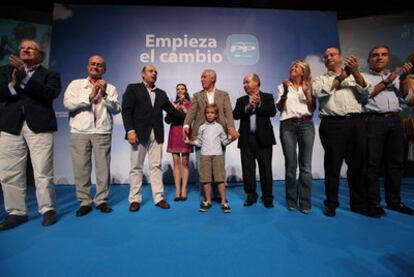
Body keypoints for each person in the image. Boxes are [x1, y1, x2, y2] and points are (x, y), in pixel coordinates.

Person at [0, 39, 61, 230]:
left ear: (40, 55)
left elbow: (49, 93)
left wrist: (24, 79)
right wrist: (14, 83)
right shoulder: (5, 71)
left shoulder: (50, 74)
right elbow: (1, 93)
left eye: (30, 48)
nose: (25, 50)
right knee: (9, 171)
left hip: (40, 125)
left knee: (43, 170)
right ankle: (16, 212)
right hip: (11, 125)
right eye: (22, 48)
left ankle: (47, 209)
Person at [313, 47, 373, 217]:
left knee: (357, 166)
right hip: (332, 124)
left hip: (356, 122)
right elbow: (319, 92)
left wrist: (355, 73)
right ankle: (331, 204)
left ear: (340, 57)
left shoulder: (355, 75)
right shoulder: (320, 79)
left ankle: (359, 203)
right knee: (333, 166)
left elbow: (366, 95)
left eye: (332, 55)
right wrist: (341, 77)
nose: (328, 58)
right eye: (325, 56)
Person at [63, 55, 121, 217]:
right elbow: (68, 104)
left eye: (100, 65)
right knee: (81, 168)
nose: (96, 67)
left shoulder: (111, 88)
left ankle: (101, 200)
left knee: (103, 168)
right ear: (88, 66)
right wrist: (89, 96)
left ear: (104, 69)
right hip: (80, 131)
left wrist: (104, 94)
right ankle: (85, 201)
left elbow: (116, 109)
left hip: (102, 131)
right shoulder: (76, 84)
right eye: (93, 64)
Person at [122, 64, 185, 212]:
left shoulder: (161, 93)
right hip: (138, 134)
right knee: (136, 167)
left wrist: (189, 117)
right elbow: (126, 111)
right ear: (142, 74)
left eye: (156, 72)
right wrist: (130, 130)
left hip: (156, 134)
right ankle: (135, 199)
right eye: (151, 71)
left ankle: (159, 198)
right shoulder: (133, 88)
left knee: (156, 166)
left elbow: (172, 112)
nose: (154, 74)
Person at [362, 45, 414, 216]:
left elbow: (406, 98)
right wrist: (390, 79)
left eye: (383, 55)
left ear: (388, 58)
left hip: (395, 120)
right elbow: (366, 95)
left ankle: (395, 201)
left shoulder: (398, 77)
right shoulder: (363, 77)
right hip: (374, 120)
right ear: (370, 59)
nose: (380, 57)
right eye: (375, 55)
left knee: (396, 163)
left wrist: (404, 77)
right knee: (372, 164)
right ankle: (373, 203)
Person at [182, 69, 239, 202]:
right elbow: (191, 113)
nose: (202, 79)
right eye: (201, 77)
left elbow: (228, 112)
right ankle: (206, 196)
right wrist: (186, 126)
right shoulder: (197, 96)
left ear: (212, 79)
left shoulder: (224, 95)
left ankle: (218, 195)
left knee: (218, 166)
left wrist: (231, 128)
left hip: (219, 135)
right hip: (200, 135)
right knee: (203, 167)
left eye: (204, 77)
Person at [276, 61, 315, 214]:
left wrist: (306, 93)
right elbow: (279, 108)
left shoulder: (309, 86)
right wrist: (285, 91)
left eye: (296, 67)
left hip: (306, 125)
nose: (293, 68)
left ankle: (305, 202)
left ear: (303, 71)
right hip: (287, 126)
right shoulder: (282, 86)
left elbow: (312, 109)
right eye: (291, 67)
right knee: (291, 166)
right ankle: (291, 200)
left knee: (305, 166)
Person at [233, 73, 276, 208]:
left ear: (256, 82)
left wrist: (259, 104)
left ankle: (267, 197)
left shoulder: (267, 97)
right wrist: (247, 107)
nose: (245, 85)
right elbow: (235, 115)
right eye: (244, 83)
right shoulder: (241, 100)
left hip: (264, 139)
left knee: (266, 170)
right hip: (246, 139)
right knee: (248, 170)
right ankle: (251, 195)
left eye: (247, 82)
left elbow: (272, 112)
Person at [185, 103, 236, 213]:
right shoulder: (202, 128)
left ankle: (224, 202)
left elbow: (224, 141)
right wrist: (190, 142)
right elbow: (199, 142)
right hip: (205, 156)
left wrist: (232, 139)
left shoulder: (219, 127)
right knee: (206, 180)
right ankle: (208, 201)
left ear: (216, 115)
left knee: (220, 179)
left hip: (217, 156)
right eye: (207, 113)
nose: (209, 115)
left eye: (212, 113)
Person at [165, 83, 193, 201]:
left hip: (185, 132)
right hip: (174, 132)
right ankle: (177, 191)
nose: (180, 91)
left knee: (185, 162)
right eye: (178, 89)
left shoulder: (190, 103)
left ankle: (184, 190)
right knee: (176, 162)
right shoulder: (173, 104)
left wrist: (183, 108)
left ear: (186, 90)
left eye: (182, 89)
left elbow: (191, 118)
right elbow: (167, 120)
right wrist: (174, 108)